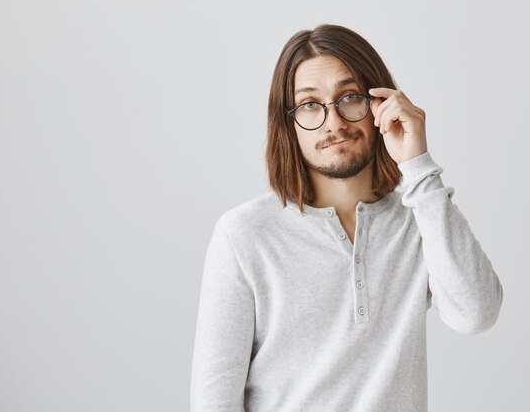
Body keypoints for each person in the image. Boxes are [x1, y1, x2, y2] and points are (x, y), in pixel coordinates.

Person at [190, 23, 504, 412]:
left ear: (382, 102)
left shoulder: (420, 216)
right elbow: (214, 399)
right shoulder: (244, 235)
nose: (333, 122)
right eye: (309, 105)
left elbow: (475, 314)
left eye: (349, 97)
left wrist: (418, 167)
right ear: (288, 123)